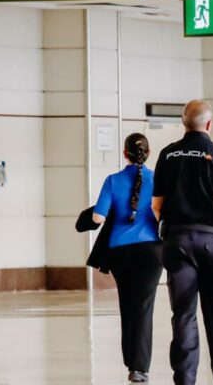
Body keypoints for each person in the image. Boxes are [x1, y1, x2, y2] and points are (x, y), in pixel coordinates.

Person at [151, 100, 213, 385]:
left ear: (184, 122)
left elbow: (156, 206)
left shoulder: (167, 155)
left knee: (183, 314)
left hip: (177, 241)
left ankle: (185, 378)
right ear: (210, 124)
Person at [92, 133, 163, 383]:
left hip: (120, 252)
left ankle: (130, 359)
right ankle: (139, 367)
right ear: (149, 152)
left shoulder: (113, 181)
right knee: (144, 307)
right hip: (151, 251)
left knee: (127, 304)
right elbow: (162, 212)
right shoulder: (158, 180)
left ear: (124, 154)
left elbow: (98, 218)